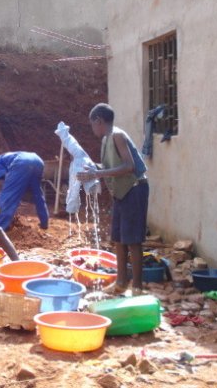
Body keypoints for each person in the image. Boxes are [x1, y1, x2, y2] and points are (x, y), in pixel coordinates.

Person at [77, 103, 149, 296]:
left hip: (134, 189)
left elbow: (129, 166)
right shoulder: (106, 140)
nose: (93, 130)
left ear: (99, 121)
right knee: (118, 238)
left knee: (133, 240)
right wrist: (93, 169)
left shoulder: (118, 136)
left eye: (93, 125)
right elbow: (112, 165)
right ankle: (121, 283)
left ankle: (137, 287)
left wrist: (98, 174)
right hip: (121, 191)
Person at [0, 152, 49, 231]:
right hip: (38, 160)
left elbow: (7, 184)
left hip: (22, 162)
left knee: (6, 196)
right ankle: (44, 223)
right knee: (37, 194)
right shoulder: (5, 158)